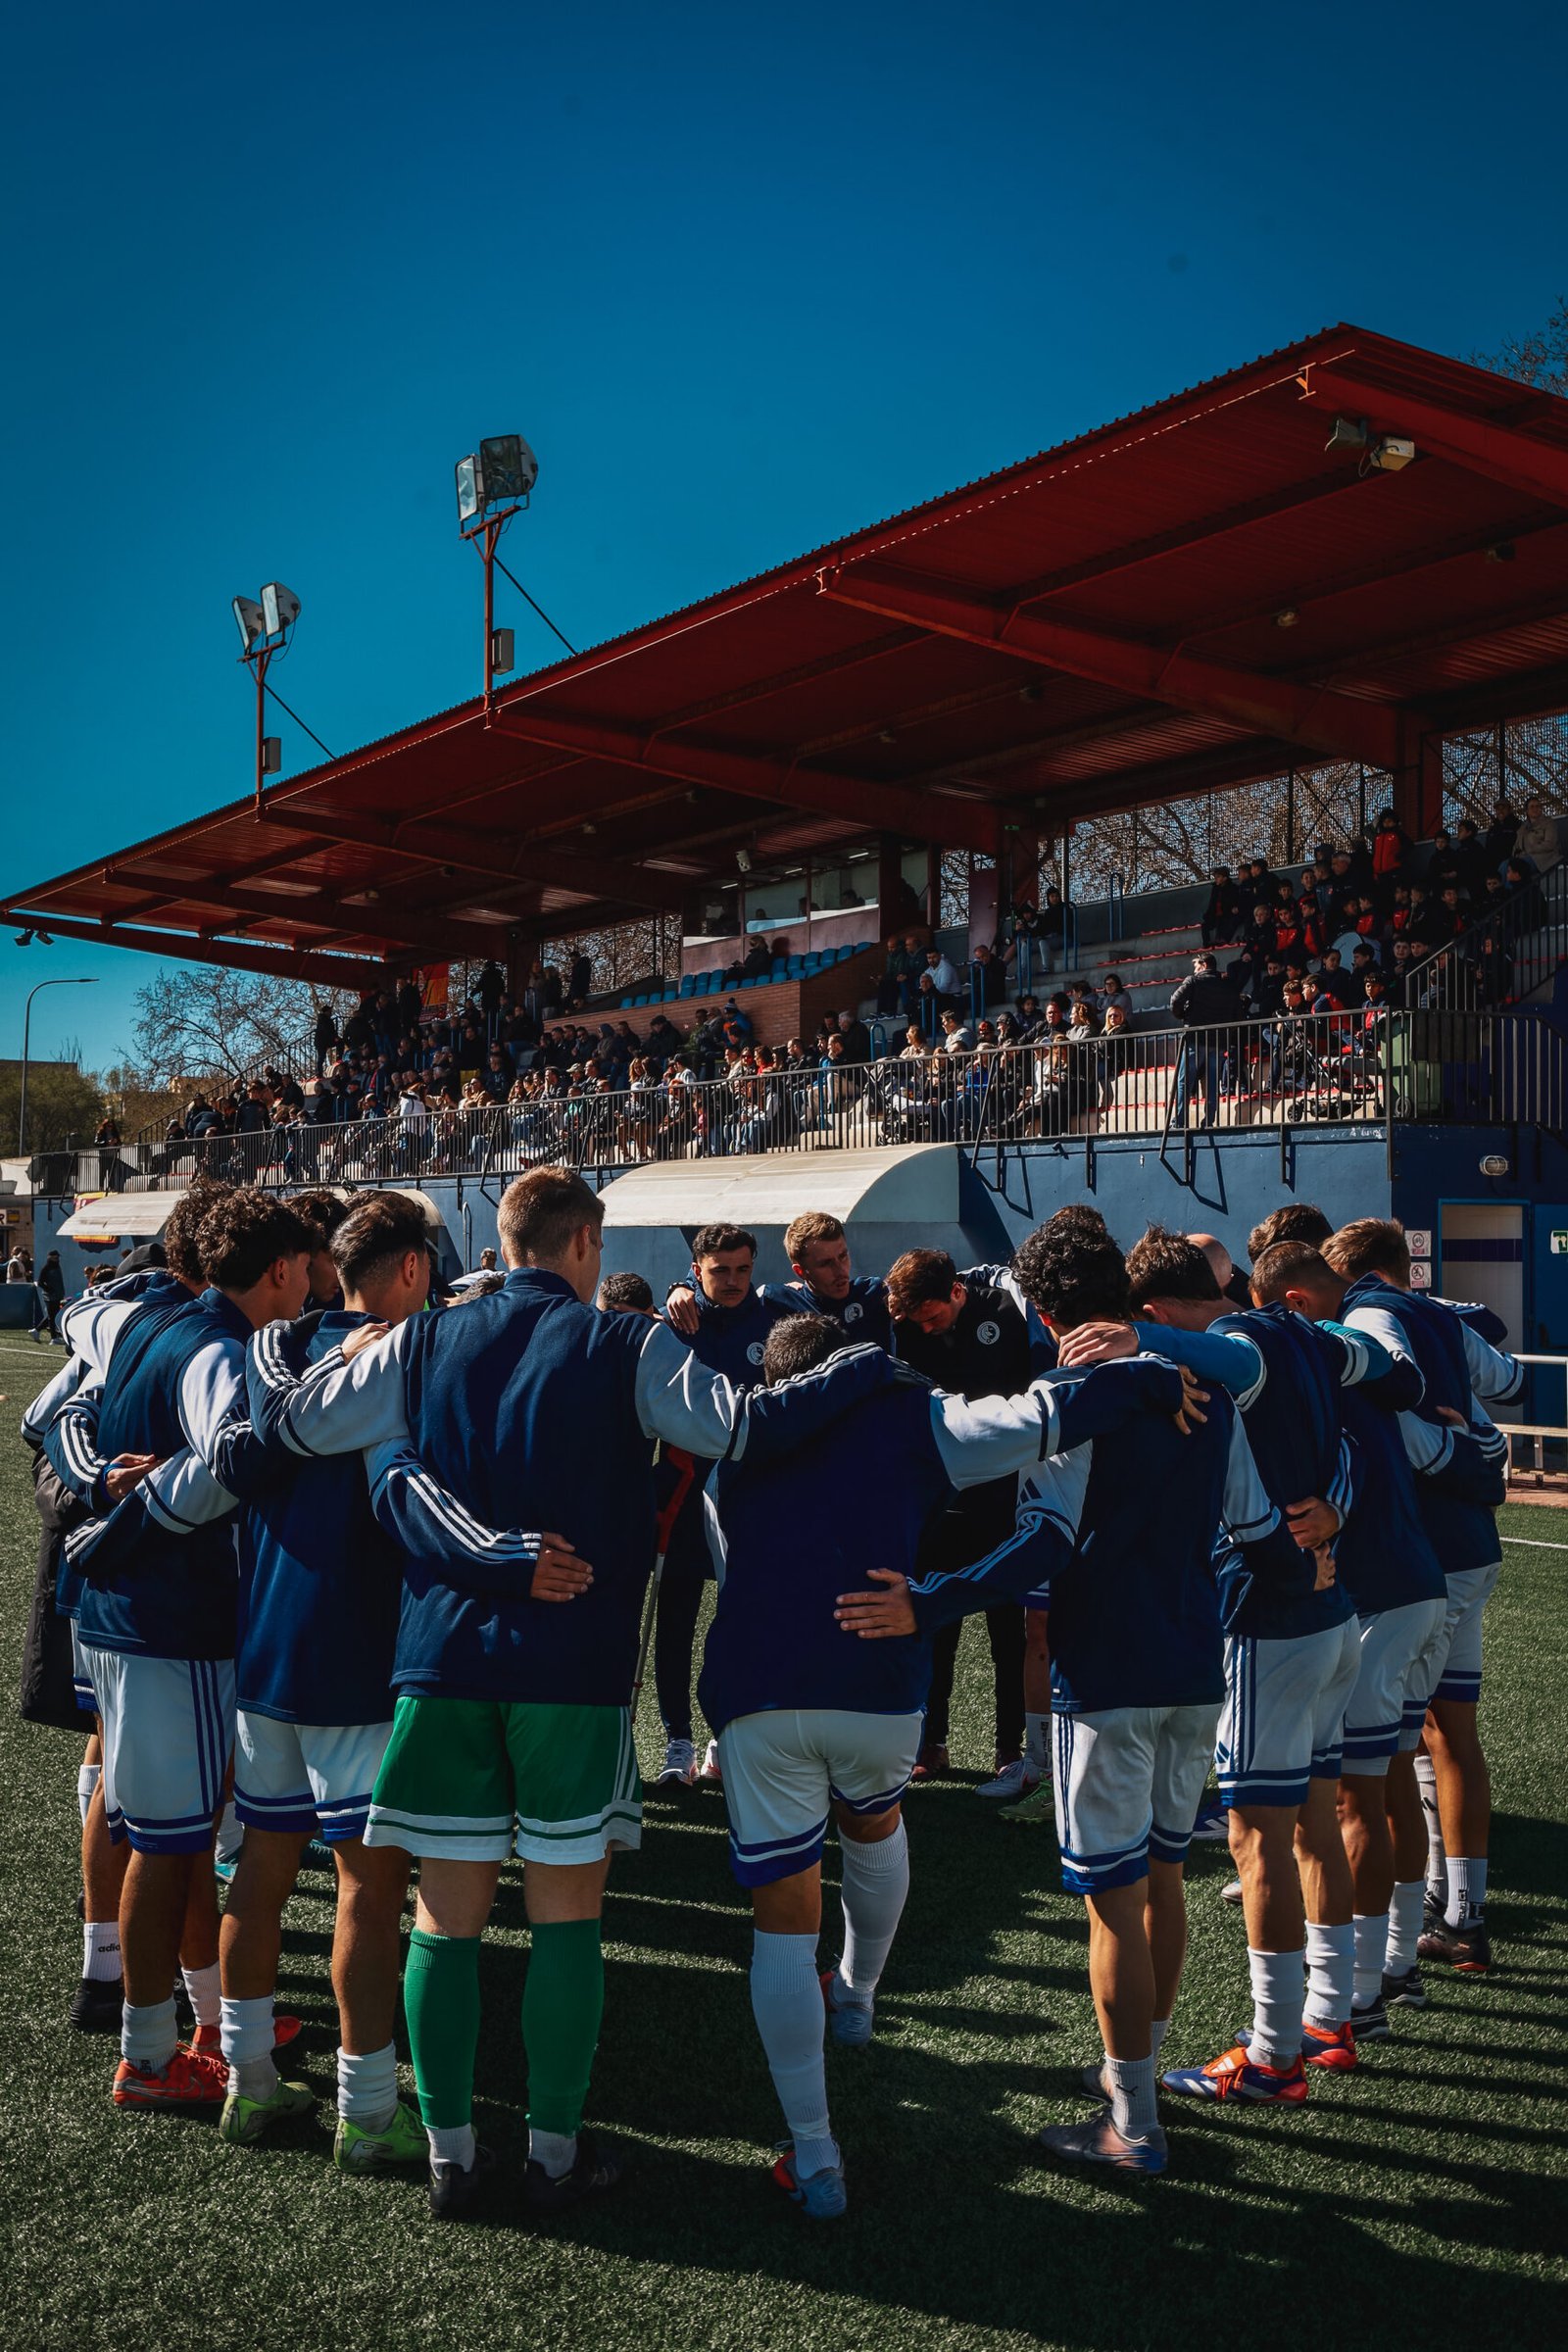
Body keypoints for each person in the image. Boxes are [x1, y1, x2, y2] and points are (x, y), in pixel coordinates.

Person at [239, 1167, 767, 2221]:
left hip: (438, 1663)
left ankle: (447, 2156)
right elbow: (737, 1427)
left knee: (444, 1914)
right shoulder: (626, 1341)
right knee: (567, 1910)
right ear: (584, 1246)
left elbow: (294, 1431)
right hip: (570, 1667)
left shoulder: (419, 1339)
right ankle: (555, 2156)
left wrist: (334, 1357)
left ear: (508, 1240)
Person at [835, 1217, 1245, 2178]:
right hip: (1193, 1667)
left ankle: (1133, 2120)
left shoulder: (1068, 1392)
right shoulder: (1210, 1385)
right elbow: (1245, 1519)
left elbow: (1046, 1542)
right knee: (1166, 1878)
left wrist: (929, 1601)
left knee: (1114, 1906)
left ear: (1048, 1310)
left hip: (1105, 1673)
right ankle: (1141, 2072)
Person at [1057, 1228, 1414, 2104]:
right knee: (1314, 1821)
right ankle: (1328, 2019)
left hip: (1270, 1622)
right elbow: (1377, 1409)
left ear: (1151, 1306)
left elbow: (1225, 1357)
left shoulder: (1242, 1342)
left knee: (1261, 1841)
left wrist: (1145, 1344)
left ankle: (1274, 2055)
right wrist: (1339, 1509)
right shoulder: (1308, 1333)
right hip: (1328, 1618)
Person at [66, 1190, 315, 2111]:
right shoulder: (218, 1347)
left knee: (165, 1839)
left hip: (132, 1619)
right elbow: (229, 1460)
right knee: (170, 1848)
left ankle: (188, 2026)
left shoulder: (145, 1324)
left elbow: (66, 1414)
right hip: (173, 1624)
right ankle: (148, 2053)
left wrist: (99, 1500)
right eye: (304, 1265)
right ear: (281, 1269)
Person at [218, 1192, 436, 2164]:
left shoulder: (279, 1348)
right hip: (352, 1651)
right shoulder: (408, 1360)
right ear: (412, 1268)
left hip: (264, 1645)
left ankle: (247, 2083)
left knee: (263, 1867)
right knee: (367, 1887)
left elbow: (258, 1423)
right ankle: (368, 2109)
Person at [1249, 1240, 1501, 2027]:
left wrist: (1335, 1509)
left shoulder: (1331, 1360)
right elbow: (1476, 1447)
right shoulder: (1375, 1359)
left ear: (1295, 1302)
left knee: (1356, 1800)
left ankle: (1356, 1996)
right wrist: (1476, 1446)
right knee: (1393, 1777)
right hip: (1423, 1583)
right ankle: (1394, 1966)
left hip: (1382, 1593)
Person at [1320, 1218, 1520, 1977]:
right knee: (1446, 1733)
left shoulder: (1369, 1314)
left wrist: (1462, 1452)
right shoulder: (1440, 1312)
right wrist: (1484, 1443)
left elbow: (1398, 1420)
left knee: (1388, 1751)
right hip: (1470, 1549)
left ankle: (1390, 1961)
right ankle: (1455, 1910)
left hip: (1426, 1555)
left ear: (1349, 1268)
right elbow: (1508, 1381)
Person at [887, 1248, 1053, 1797]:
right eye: (918, 1322)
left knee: (1010, 1628)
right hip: (940, 1499)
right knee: (935, 1621)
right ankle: (930, 1741)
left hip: (1006, 1496)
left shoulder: (1007, 1310)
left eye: (933, 1316)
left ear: (956, 1292)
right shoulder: (903, 1324)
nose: (927, 1329)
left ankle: (1010, 1746)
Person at [650, 1225, 793, 1788]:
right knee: (676, 1619)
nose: (731, 1282)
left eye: (740, 1269)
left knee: (746, 1616)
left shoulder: (777, 1312)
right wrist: (679, 1289)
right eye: (716, 1272)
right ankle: (675, 1740)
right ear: (697, 1269)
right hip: (684, 1490)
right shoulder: (680, 1321)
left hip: (752, 1492)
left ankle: (729, 1736)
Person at [1169, 955, 1247, 1127]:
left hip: (1195, 1037)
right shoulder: (1229, 985)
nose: (1195, 971)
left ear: (1204, 965)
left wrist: (1183, 1015)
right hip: (1218, 1041)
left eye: (1196, 967)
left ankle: (1180, 1121)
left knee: (1184, 1082)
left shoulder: (1194, 981)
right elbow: (1239, 1016)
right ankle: (1209, 1121)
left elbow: (1175, 1001)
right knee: (1213, 1083)